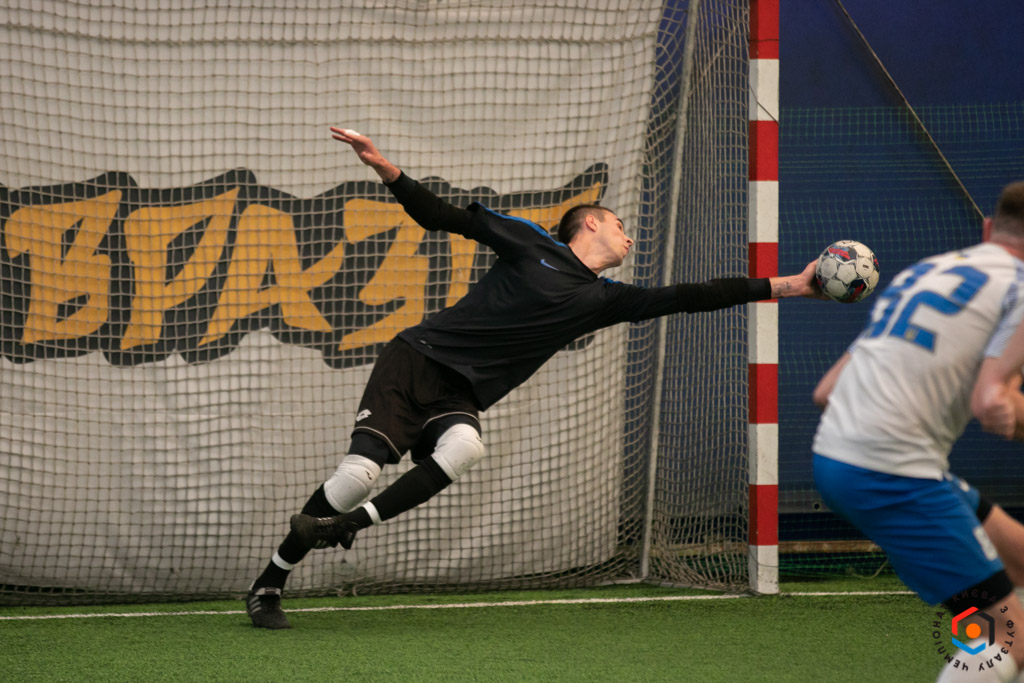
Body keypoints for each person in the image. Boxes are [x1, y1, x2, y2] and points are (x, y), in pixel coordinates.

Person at [245, 127, 825, 629]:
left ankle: (345, 527)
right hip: (416, 359)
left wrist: (790, 286)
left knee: (466, 446)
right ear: (591, 223)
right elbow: (441, 216)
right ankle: (270, 583)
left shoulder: (605, 299)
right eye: (619, 224)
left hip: (460, 394)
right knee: (357, 475)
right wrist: (384, 168)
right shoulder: (530, 243)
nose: (628, 236)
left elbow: (691, 295)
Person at [812, 180, 1024, 682]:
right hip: (892, 473)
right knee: (1009, 635)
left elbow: (827, 391)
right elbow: (992, 403)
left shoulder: (925, 272)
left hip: (839, 457)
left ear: (988, 229)